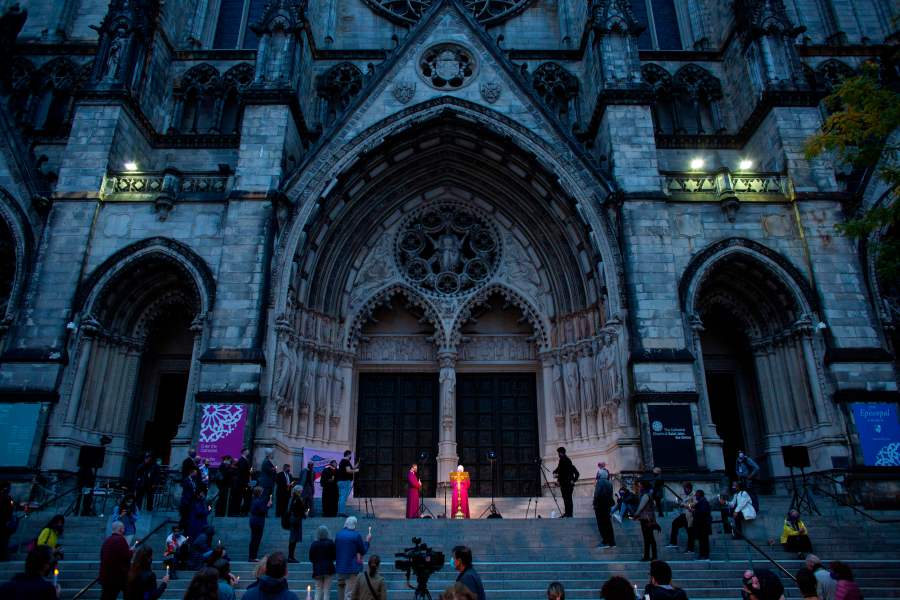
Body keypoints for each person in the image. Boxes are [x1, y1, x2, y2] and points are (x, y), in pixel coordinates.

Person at [336, 516, 372, 600]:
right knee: (349, 593)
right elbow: (363, 551)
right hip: (351, 568)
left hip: (340, 567)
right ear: (354, 525)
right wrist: (367, 541)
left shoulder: (338, 535)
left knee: (342, 589)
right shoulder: (356, 535)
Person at [99, 521, 133, 600]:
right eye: (123, 528)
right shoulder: (121, 540)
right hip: (116, 577)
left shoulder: (107, 541)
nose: (124, 530)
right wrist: (131, 551)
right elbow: (126, 557)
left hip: (105, 576)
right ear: (121, 529)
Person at [310, 525, 337, 600]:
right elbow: (334, 556)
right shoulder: (331, 543)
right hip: (329, 569)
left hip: (317, 569)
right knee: (327, 591)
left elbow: (311, 558)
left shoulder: (314, 544)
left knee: (318, 590)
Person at [666, 483, 695, 552]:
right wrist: (679, 503)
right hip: (683, 515)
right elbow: (680, 502)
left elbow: (693, 505)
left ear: (689, 489)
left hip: (690, 515)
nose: (684, 490)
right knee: (675, 523)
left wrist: (684, 504)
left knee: (690, 532)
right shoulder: (684, 494)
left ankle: (690, 549)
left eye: (686, 489)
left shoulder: (694, 495)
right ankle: (673, 542)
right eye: (684, 489)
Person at [593, 463, 615, 549]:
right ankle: (612, 542)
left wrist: (595, 503)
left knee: (602, 524)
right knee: (608, 524)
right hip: (607, 505)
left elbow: (597, 494)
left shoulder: (600, 482)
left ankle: (605, 541)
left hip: (600, 506)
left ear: (600, 474)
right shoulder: (609, 483)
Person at [552, 447, 579, 518]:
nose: (558, 454)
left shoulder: (566, 460)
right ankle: (567, 512)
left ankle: (569, 513)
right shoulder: (563, 460)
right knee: (566, 498)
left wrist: (573, 480)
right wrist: (555, 472)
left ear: (562, 453)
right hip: (564, 483)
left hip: (567, 484)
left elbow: (563, 471)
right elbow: (560, 469)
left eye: (559, 453)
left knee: (568, 498)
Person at [635, 480, 658, 562]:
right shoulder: (648, 495)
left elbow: (641, 506)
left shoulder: (645, 495)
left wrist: (636, 514)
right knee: (650, 538)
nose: (639, 486)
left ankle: (647, 556)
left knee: (648, 538)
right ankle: (652, 555)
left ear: (643, 486)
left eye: (640, 485)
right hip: (649, 518)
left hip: (646, 518)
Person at [249, 486, 271, 561]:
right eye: (261, 491)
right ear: (259, 493)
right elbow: (263, 511)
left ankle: (252, 556)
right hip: (258, 522)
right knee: (256, 539)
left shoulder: (254, 500)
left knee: (254, 539)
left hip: (254, 520)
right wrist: (268, 506)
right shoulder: (259, 501)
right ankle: (252, 557)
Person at [286, 485, 305, 563]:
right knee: (293, 538)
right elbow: (299, 510)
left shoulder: (293, 498)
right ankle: (291, 557)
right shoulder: (297, 499)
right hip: (296, 520)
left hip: (293, 519)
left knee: (293, 538)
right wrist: (304, 514)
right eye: (301, 490)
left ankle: (291, 556)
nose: (302, 491)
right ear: (298, 491)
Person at [337, 450, 360, 517]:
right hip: (344, 481)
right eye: (350, 455)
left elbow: (352, 467)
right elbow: (348, 470)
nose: (351, 456)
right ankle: (342, 513)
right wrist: (356, 470)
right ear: (348, 454)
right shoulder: (345, 461)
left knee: (342, 497)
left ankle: (341, 511)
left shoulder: (344, 461)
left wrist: (358, 464)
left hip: (343, 481)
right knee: (343, 497)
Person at [692, 489, 712, 560]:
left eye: (697, 495)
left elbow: (703, 512)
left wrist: (694, 510)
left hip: (703, 525)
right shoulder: (701, 502)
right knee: (702, 540)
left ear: (700, 495)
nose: (696, 496)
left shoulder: (703, 502)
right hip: (701, 524)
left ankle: (704, 555)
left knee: (704, 540)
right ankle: (702, 554)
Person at [233, 448, 252, 517]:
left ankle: (242, 511)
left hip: (244, 482)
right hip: (241, 482)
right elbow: (242, 471)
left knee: (244, 497)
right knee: (239, 497)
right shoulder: (242, 460)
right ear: (244, 452)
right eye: (247, 451)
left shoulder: (245, 460)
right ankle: (237, 512)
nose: (248, 452)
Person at [0, 483, 15, 562]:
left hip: (4, 522)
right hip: (5, 523)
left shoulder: (8, 498)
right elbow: (10, 509)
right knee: (4, 541)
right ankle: (3, 556)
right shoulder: (7, 498)